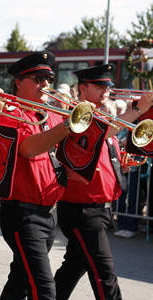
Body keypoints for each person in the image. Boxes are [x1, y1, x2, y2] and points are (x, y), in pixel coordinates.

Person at [53, 64, 153, 300]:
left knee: (72, 268)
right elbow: (101, 133)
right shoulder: (77, 115)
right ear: (82, 88)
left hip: (97, 209)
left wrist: (120, 164)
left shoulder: (102, 115)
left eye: (107, 85)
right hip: (82, 209)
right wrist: (138, 109)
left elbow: (102, 149)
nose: (106, 89)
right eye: (99, 85)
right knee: (104, 274)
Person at [0, 51, 72, 300]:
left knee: (20, 283)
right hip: (22, 214)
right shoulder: (10, 113)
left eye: (48, 78)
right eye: (39, 78)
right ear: (19, 82)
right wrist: (68, 125)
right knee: (44, 289)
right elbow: (28, 148)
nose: (46, 85)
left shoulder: (49, 113)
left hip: (48, 213)